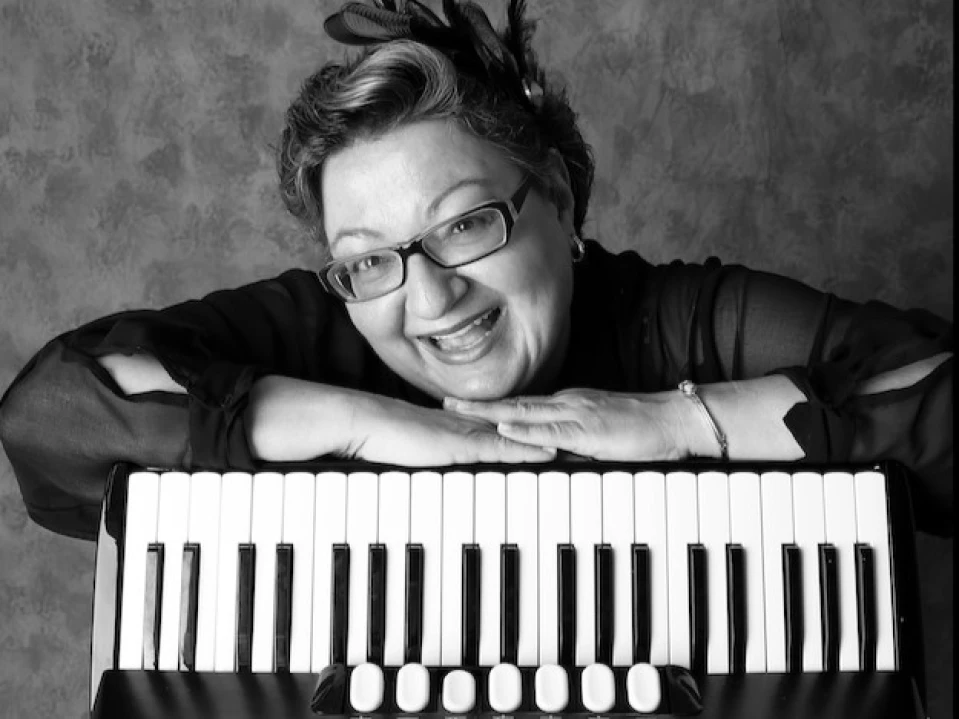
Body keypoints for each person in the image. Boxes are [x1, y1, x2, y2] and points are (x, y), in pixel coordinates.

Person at [0, 0, 952, 542]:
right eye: (369, 257)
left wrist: (679, 423)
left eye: (462, 226)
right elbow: (53, 417)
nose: (429, 297)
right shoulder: (335, 315)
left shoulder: (679, 317)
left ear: (558, 200)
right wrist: (367, 426)